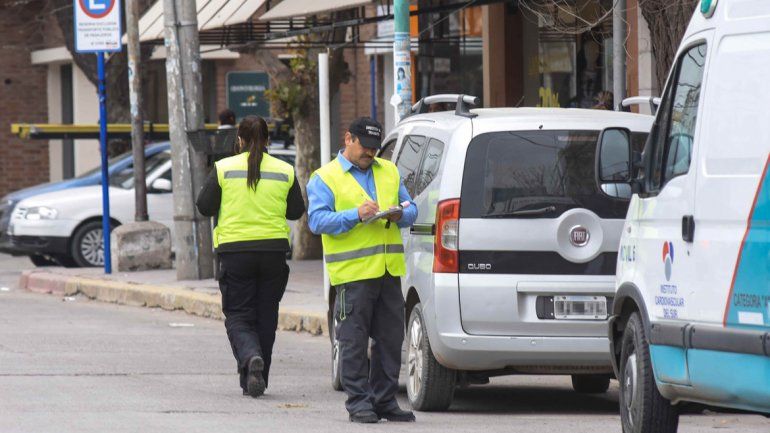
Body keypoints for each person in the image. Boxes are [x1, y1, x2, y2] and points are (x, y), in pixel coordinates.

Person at [307, 117, 418, 424]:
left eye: (374, 149)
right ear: (348, 139)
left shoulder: (389, 171)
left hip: (387, 272)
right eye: (365, 148)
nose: (370, 154)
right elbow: (317, 221)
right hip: (353, 275)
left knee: (391, 339)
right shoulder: (325, 177)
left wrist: (400, 214)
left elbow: (412, 207)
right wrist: (355, 215)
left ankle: (384, 401)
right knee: (353, 342)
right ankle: (358, 402)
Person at [196, 115, 305, 398]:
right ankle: (257, 378)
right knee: (266, 315)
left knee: (238, 316)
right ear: (268, 140)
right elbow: (295, 211)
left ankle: (250, 357)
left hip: (236, 253)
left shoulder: (224, 168)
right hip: (273, 253)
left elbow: (204, 206)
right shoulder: (285, 170)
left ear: (239, 140)